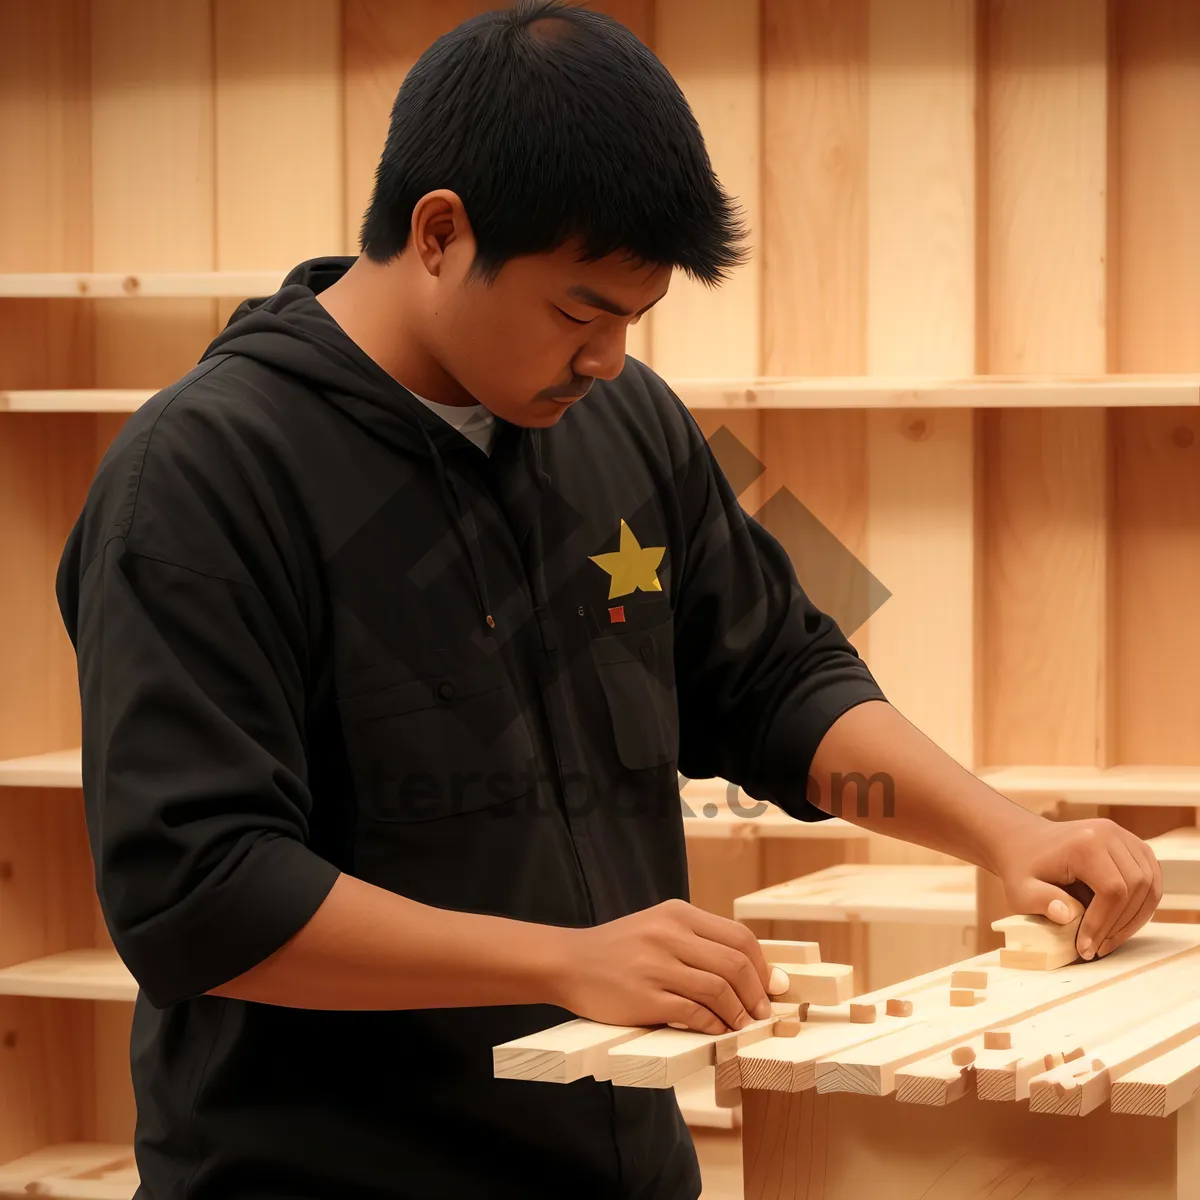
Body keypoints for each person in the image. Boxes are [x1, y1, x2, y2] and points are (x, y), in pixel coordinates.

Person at [55, 2, 1162, 1197]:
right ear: (438, 234)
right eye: (581, 310)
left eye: (636, 320)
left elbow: (781, 675)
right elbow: (196, 896)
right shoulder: (196, 478)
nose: (609, 359)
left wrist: (1005, 832)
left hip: (619, 1165)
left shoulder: (630, 422)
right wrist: (567, 962)